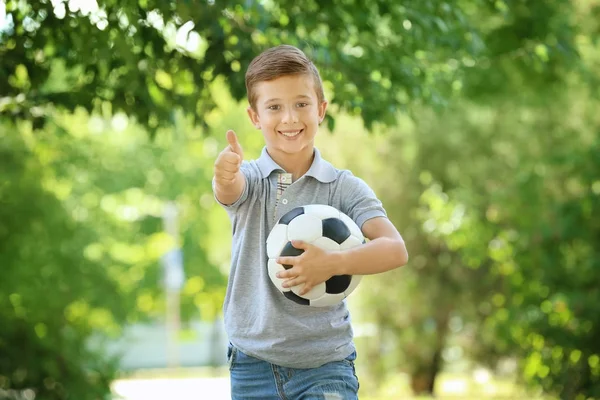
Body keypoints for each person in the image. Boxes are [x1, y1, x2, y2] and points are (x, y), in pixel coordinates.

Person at [212, 44, 408, 400]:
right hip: (252, 365)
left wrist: (334, 263)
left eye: (301, 104)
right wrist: (225, 174)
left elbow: (395, 250)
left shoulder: (343, 188)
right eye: (274, 107)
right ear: (255, 117)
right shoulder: (251, 180)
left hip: (325, 364)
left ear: (320, 110)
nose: (289, 118)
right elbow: (229, 190)